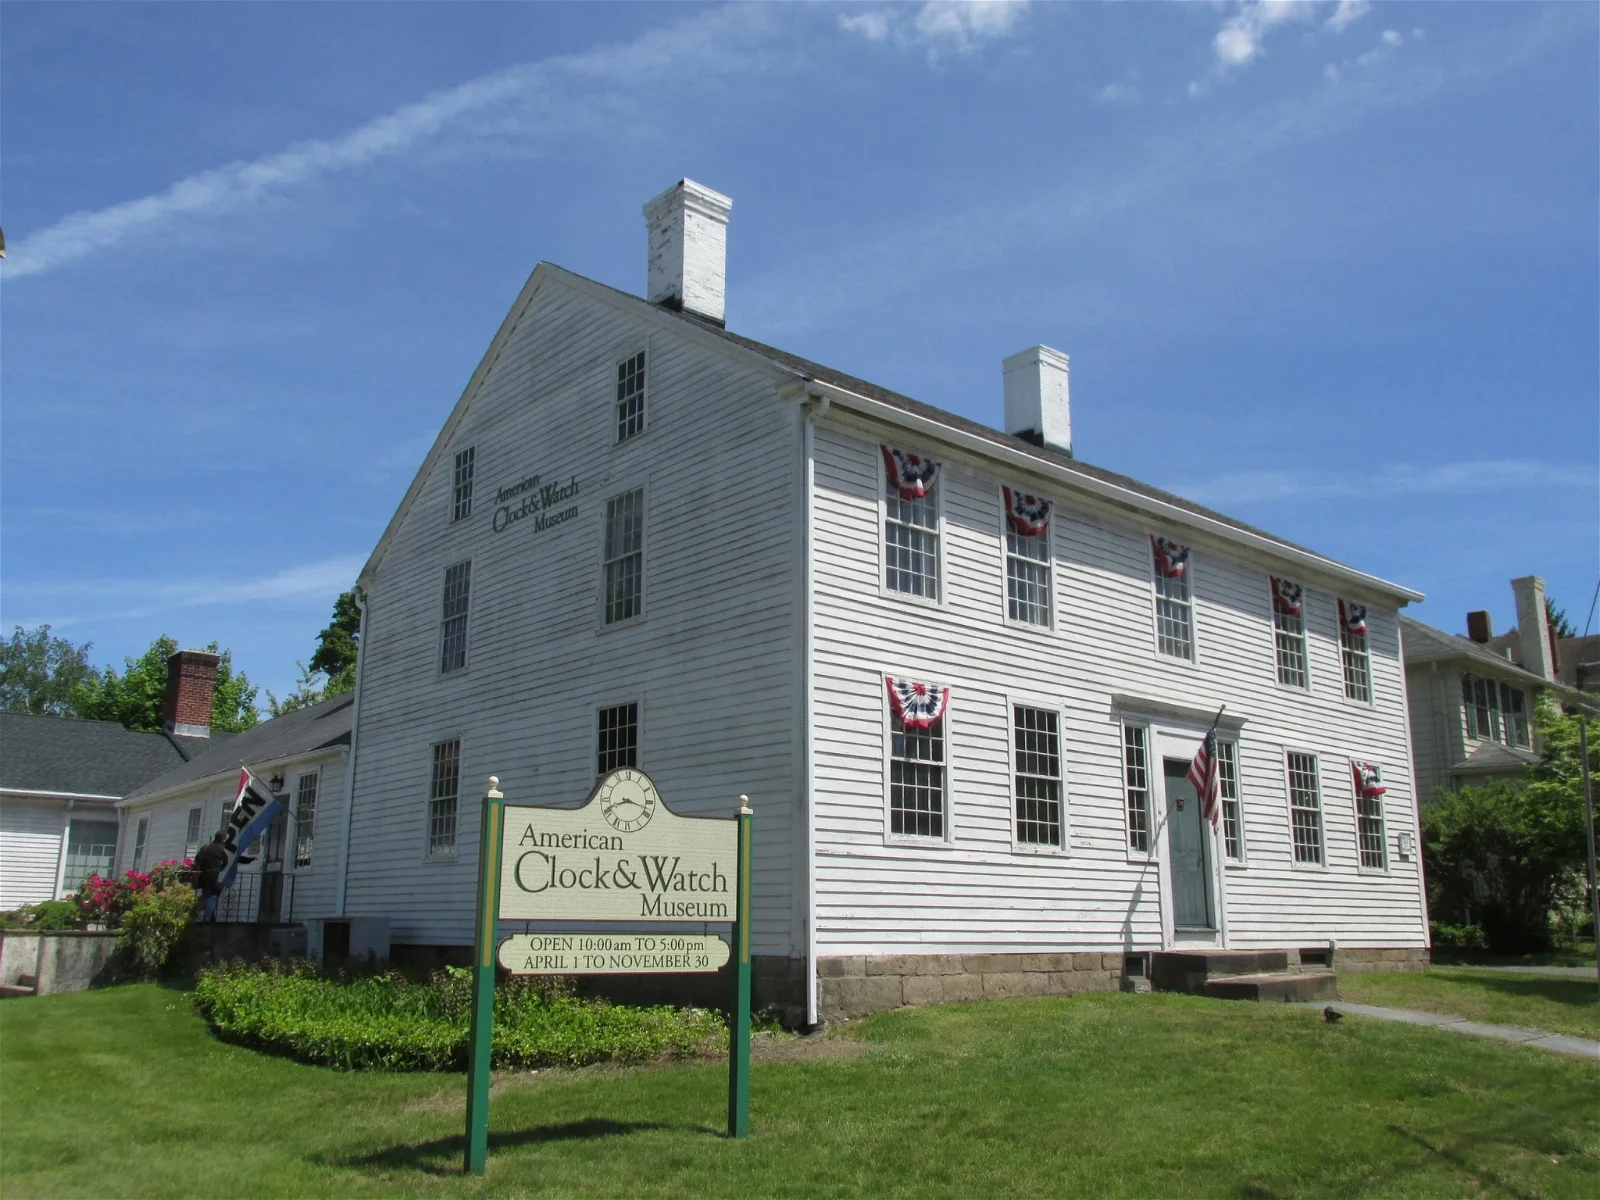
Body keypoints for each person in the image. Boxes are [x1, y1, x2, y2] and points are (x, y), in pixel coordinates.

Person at [193, 831, 229, 923]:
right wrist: (220, 869)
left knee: (207, 895)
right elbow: (226, 861)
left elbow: (197, 859)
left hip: (203, 875)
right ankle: (206, 917)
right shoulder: (222, 848)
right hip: (214, 875)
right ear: (223, 838)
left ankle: (209, 916)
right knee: (213, 895)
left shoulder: (206, 846)